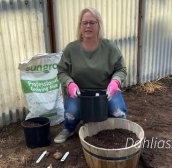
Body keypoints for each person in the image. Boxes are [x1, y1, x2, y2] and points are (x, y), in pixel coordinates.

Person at [54, 7, 128, 143]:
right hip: (80, 93)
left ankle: (109, 129)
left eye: (92, 23)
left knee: (119, 113)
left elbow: (121, 69)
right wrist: (70, 84)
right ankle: (69, 129)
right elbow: (62, 71)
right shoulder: (71, 49)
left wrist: (115, 82)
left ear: (99, 25)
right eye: (85, 23)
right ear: (80, 26)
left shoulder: (109, 47)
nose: (88, 26)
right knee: (71, 114)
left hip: (106, 92)